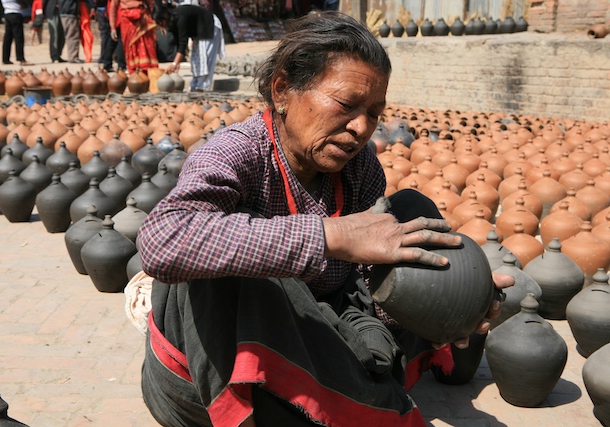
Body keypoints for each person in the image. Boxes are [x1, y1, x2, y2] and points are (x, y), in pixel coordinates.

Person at [137, 11, 513, 427]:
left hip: (321, 329)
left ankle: (346, 394)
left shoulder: (360, 169)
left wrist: (449, 297)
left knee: (411, 212)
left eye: (374, 112)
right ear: (282, 89)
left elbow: (364, 286)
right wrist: (329, 234)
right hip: (214, 368)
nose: (361, 128)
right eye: (347, 105)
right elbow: (163, 240)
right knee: (237, 255)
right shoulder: (236, 152)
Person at [109, 0, 159, 73]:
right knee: (132, 47)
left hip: (141, 20)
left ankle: (144, 71)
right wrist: (113, 27)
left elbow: (151, 3)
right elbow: (113, 7)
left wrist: (156, 18)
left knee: (146, 45)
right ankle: (136, 73)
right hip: (129, 22)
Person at [95, 0, 126, 71]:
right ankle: (121, 65)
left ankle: (107, 63)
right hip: (118, 14)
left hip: (112, 12)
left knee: (112, 40)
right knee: (120, 41)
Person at [1, 0, 31, 66]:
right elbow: (21, 2)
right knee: (19, 37)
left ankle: (5, 58)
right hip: (15, 13)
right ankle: (20, 58)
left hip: (7, 13)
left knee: (8, 37)